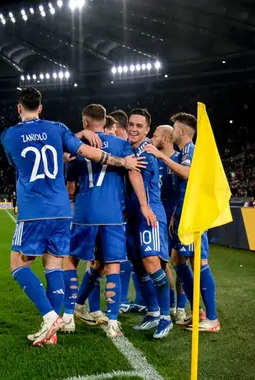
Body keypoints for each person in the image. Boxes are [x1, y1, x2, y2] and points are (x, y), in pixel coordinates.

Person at [0, 88, 144, 346]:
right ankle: (52, 332)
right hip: (61, 211)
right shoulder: (57, 129)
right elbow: (87, 152)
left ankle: (50, 317)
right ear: (41, 107)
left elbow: (18, 163)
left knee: (18, 265)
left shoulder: (9, 135)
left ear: (19, 108)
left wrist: (80, 134)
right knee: (53, 266)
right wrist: (122, 162)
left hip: (34, 210)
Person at [62, 104, 153, 338]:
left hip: (84, 214)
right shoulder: (122, 144)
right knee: (112, 266)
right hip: (113, 215)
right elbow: (133, 172)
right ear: (105, 121)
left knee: (71, 261)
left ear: (85, 122)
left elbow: (70, 188)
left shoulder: (77, 147)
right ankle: (113, 323)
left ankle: (69, 317)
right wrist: (144, 205)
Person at [145, 113, 221, 332]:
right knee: (177, 260)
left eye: (175, 128)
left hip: (194, 216)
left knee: (200, 264)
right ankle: (197, 311)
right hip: (182, 215)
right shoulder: (185, 151)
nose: (173, 132)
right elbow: (183, 189)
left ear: (183, 131)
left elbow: (186, 174)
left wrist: (161, 156)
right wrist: (175, 215)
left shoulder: (190, 150)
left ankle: (212, 319)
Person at [125, 109, 173, 339]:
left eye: (139, 126)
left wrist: (144, 207)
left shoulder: (146, 152)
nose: (134, 129)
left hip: (150, 213)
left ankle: (166, 317)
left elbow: (139, 181)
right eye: (131, 124)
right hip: (133, 216)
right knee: (138, 265)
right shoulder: (129, 149)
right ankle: (153, 313)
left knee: (152, 263)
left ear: (146, 130)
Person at [149, 125, 189, 324]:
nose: (152, 138)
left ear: (165, 138)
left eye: (155, 135)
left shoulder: (180, 159)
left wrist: (177, 214)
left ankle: (181, 307)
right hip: (158, 216)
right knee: (162, 262)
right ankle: (170, 304)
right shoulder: (153, 159)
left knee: (180, 262)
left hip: (177, 216)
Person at [108, 109, 145, 313]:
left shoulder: (129, 149)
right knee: (133, 256)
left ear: (116, 128)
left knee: (132, 257)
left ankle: (127, 300)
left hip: (135, 210)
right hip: (129, 209)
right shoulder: (126, 148)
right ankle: (139, 300)